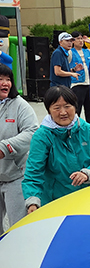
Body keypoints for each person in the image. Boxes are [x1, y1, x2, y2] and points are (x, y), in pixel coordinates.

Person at [22, 86, 90, 213]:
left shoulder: (88, 130)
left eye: (67, 106)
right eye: (57, 108)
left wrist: (87, 173)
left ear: (75, 107)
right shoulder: (42, 136)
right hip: (55, 202)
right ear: (49, 110)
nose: (63, 112)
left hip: (87, 199)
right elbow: (34, 172)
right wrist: (32, 201)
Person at [0, 64, 38, 230]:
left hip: (15, 176)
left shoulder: (20, 105)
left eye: (8, 79)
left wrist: (5, 147)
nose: (5, 83)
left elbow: (32, 132)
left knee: (19, 228)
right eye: (0, 79)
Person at [69, 31, 90, 124]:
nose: (81, 41)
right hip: (77, 84)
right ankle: (75, 127)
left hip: (89, 84)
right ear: (73, 41)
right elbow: (65, 67)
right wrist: (73, 70)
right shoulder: (70, 52)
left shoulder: (88, 51)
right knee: (77, 110)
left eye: (81, 38)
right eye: (78, 39)